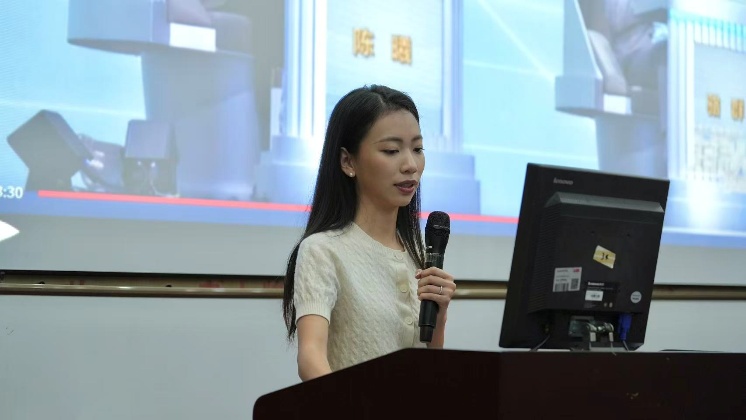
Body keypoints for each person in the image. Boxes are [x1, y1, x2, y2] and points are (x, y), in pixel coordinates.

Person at [281, 85, 457, 381]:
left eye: (417, 149)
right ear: (348, 161)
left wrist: (439, 320)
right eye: (391, 151)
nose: (410, 165)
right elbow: (310, 359)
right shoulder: (323, 250)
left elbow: (429, 369)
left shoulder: (418, 256)